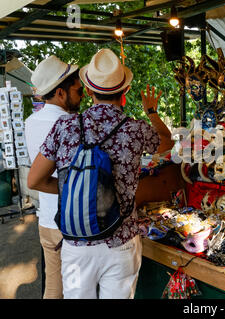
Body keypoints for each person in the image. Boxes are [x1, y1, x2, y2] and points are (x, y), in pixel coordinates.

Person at [27, 48, 173, 299]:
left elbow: (35, 180)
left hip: (76, 244)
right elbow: (167, 142)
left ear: (90, 90)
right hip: (121, 242)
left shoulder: (65, 126)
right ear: (125, 91)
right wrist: (152, 112)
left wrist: (73, 187)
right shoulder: (135, 129)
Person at [25, 55, 84, 299]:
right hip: (72, 222)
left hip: (46, 220)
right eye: (78, 91)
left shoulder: (30, 121)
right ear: (61, 93)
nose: (82, 96)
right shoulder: (72, 123)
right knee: (79, 290)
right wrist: (73, 187)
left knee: (53, 287)